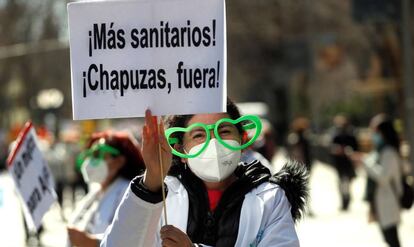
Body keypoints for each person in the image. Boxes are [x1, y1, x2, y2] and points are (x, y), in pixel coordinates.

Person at [101, 100, 308, 247]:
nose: (214, 143)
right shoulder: (163, 197)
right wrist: (151, 183)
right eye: (199, 135)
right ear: (181, 150)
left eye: (224, 131)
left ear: (243, 139)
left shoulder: (270, 198)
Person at [67, 131, 145, 247]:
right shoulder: (95, 191)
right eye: (90, 154)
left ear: (119, 161)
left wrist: (93, 243)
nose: (91, 160)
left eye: (98, 154)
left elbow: (131, 237)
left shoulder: (130, 193)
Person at [355, 114, 402, 247]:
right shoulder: (380, 151)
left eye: (375, 131)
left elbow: (383, 177)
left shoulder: (389, 152)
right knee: (389, 239)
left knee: (392, 239)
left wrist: (365, 161)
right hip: (381, 202)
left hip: (389, 202)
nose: (372, 135)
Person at [330, 114, 359, 211]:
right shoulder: (336, 136)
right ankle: (344, 202)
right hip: (339, 164)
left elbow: (356, 149)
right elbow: (331, 149)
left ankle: (347, 201)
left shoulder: (351, 136)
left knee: (347, 184)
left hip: (348, 164)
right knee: (342, 184)